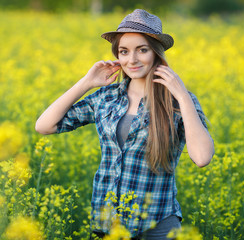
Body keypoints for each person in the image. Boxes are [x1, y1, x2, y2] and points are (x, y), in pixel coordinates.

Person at [35, 9, 214, 240]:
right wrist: (87, 82)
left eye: (142, 50)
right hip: (108, 227)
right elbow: (44, 126)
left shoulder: (177, 102)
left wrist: (181, 95)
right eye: (124, 51)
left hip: (157, 227)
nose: (132, 59)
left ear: (156, 54)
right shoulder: (106, 98)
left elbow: (202, 158)